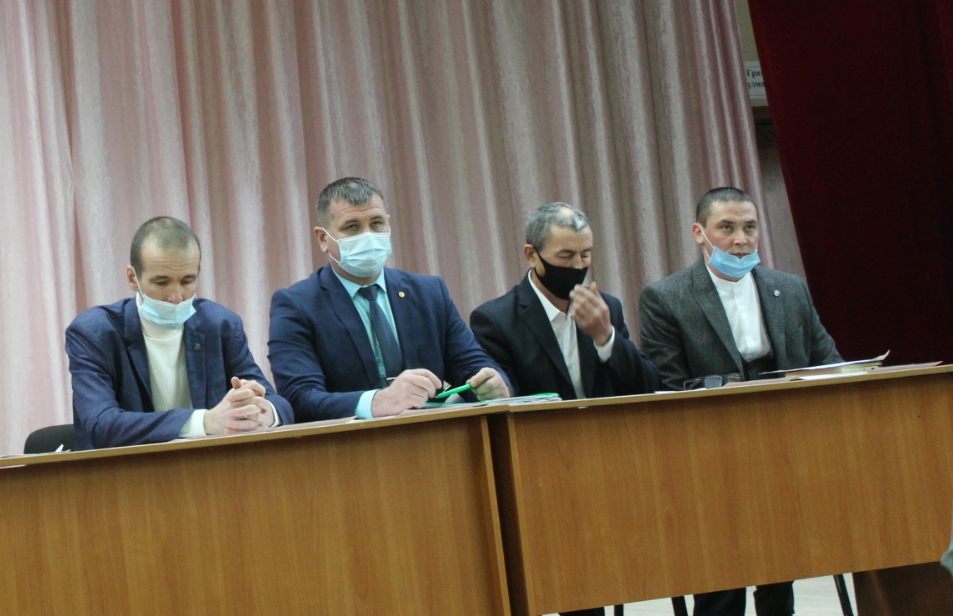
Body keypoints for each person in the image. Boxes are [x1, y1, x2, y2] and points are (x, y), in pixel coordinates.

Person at [639, 186, 841, 616]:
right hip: (710, 453)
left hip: (785, 449)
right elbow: (668, 387)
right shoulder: (666, 297)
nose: (741, 240)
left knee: (780, 565)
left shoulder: (789, 288)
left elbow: (827, 361)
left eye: (750, 228)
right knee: (721, 580)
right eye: (727, 228)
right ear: (700, 233)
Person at [269, 177, 510, 423]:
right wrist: (377, 402)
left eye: (376, 224)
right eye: (352, 227)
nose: (368, 236)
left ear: (388, 224)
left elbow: (473, 365)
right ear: (323, 238)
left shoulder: (429, 292)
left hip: (437, 436)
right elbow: (299, 398)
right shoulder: (297, 305)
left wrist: (493, 385)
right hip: (351, 442)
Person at [66, 216, 292, 450]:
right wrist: (206, 422)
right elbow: (100, 425)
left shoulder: (220, 325)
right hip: (126, 470)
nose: (176, 297)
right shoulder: (94, 332)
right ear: (133, 278)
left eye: (187, 281)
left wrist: (262, 412)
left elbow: (280, 405)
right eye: (161, 283)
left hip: (210, 467)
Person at [471, 202, 658, 403]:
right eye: (566, 255)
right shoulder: (497, 321)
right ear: (532, 255)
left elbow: (650, 387)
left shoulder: (605, 308)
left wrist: (606, 338)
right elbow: (504, 400)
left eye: (585, 255)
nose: (577, 266)